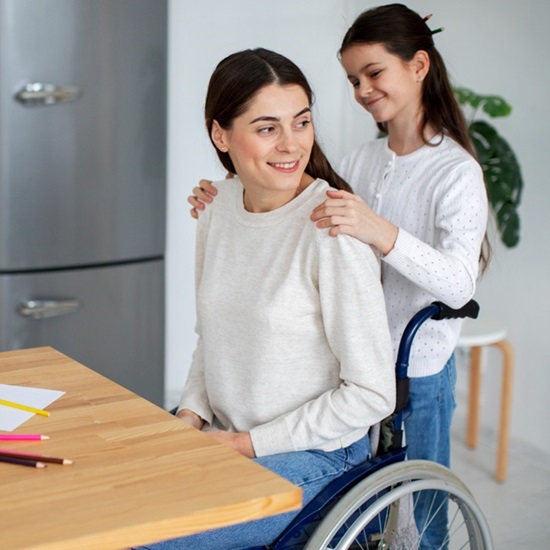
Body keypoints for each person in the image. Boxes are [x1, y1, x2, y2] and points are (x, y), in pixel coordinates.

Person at [189, 5, 489, 548]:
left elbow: (459, 285)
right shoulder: (363, 159)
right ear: (221, 133)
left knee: (422, 522)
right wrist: (228, 199)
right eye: (353, 80)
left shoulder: (454, 171)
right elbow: (289, 197)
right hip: (333, 349)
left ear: (419, 66)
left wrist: (378, 232)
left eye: (374, 73)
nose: (363, 90)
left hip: (412, 360)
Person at [137, 48, 395, 550]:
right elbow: (212, 340)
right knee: (95, 508)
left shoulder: (332, 230)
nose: (291, 144)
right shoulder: (217, 208)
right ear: (220, 134)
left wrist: (245, 445)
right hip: (224, 435)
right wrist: (188, 418)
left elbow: (372, 393)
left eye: (300, 122)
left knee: (146, 537)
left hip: (317, 460)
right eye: (266, 127)